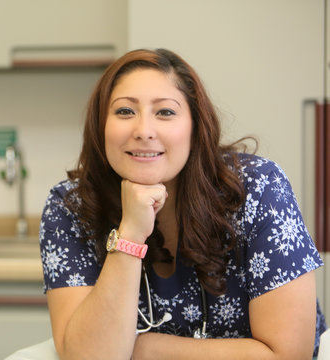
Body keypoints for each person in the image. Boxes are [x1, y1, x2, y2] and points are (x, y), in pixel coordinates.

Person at [39, 48, 327, 359]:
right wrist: (129, 236)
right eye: (124, 111)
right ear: (101, 126)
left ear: (195, 126)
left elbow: (287, 356)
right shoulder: (72, 206)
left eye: (165, 112)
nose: (144, 131)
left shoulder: (258, 189)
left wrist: (142, 350)